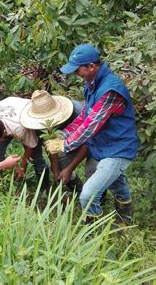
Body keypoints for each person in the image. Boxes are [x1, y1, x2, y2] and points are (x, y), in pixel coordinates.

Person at [44, 44, 139, 225]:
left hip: (118, 148)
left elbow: (90, 126)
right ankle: (125, 213)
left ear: (91, 67)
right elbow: (84, 117)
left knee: (87, 195)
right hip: (103, 144)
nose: (75, 74)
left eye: (78, 69)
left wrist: (65, 145)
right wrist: (63, 135)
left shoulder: (110, 90)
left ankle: (91, 227)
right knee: (116, 182)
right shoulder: (92, 84)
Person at [0, 97, 50, 189]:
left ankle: (44, 189)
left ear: (4, 132)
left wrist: (22, 167)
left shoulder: (20, 127)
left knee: (36, 156)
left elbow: (29, 147)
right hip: (7, 106)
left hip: (28, 113)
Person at [19, 90, 86, 193]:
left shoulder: (77, 112)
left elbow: (89, 143)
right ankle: (80, 192)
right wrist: (55, 171)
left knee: (93, 169)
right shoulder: (38, 124)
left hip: (96, 143)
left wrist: (69, 169)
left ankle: (99, 201)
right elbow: (51, 145)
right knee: (59, 165)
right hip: (69, 144)